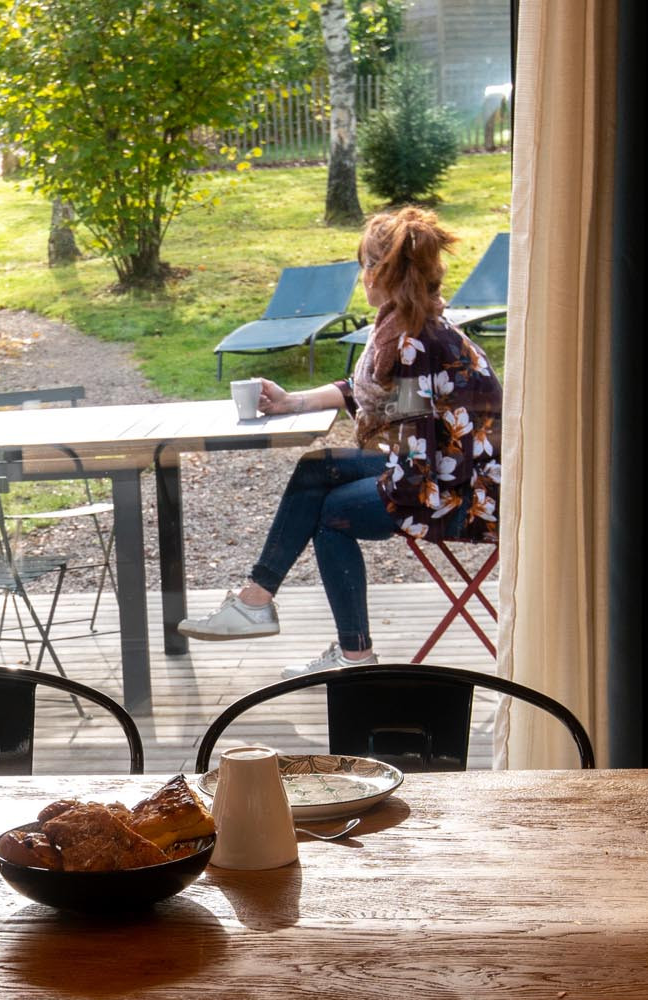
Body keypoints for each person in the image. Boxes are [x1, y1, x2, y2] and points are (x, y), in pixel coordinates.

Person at [177, 206, 503, 679]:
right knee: (316, 468)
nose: (361, 276)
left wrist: (381, 491)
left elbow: (416, 446)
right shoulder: (410, 326)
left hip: (462, 494)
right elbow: (373, 393)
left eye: (364, 264)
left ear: (380, 272)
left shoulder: (415, 342)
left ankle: (344, 651)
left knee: (332, 514)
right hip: (446, 470)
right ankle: (257, 602)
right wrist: (292, 402)